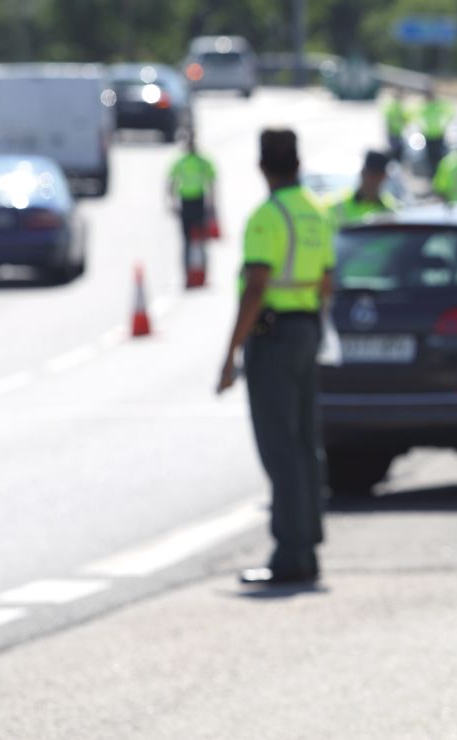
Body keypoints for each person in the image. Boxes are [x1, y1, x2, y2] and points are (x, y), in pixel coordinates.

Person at [217, 128, 335, 586]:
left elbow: (256, 288)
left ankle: (289, 552)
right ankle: (307, 547)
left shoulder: (266, 218)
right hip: (307, 330)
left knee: (279, 446)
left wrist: (231, 353)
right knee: (306, 443)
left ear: (262, 167)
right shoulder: (317, 213)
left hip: (273, 336)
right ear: (298, 164)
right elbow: (327, 282)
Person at [167, 134, 216, 269]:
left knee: (194, 239)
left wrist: (172, 203)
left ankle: (199, 269)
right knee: (192, 239)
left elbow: (211, 181)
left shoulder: (193, 162)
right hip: (190, 202)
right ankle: (190, 270)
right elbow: (172, 183)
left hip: (196, 201)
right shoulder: (197, 161)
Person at [328, 151, 399, 227]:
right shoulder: (336, 204)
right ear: (362, 172)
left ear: (384, 177)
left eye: (377, 175)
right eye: (370, 173)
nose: (372, 180)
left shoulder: (392, 208)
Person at [418, 87, 454, 175]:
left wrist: (444, 126)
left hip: (439, 135)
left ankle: (440, 175)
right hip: (429, 136)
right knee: (430, 159)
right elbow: (419, 119)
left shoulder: (439, 106)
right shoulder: (424, 107)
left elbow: (450, 113)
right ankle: (433, 176)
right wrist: (422, 128)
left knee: (440, 158)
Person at [383, 89, 408, 162]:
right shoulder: (394, 108)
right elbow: (389, 121)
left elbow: (404, 119)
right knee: (395, 152)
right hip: (393, 133)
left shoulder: (399, 107)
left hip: (398, 133)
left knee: (398, 152)